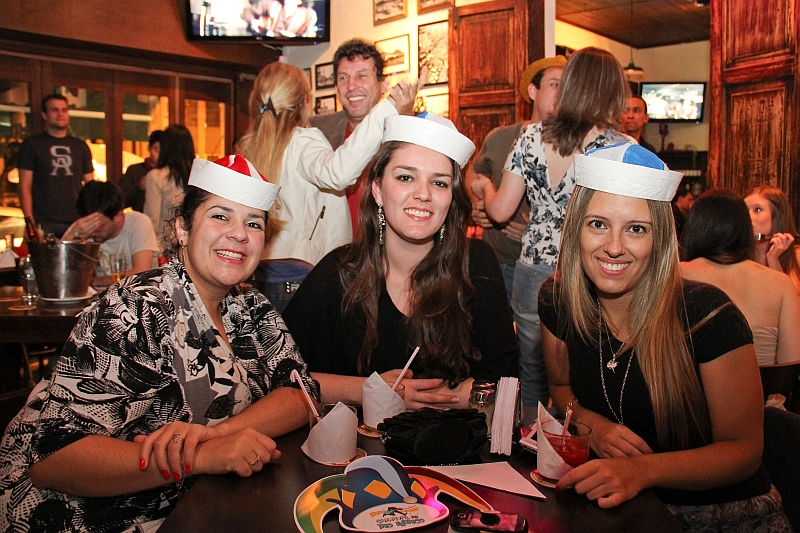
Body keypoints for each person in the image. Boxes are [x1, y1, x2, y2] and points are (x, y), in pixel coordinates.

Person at [0, 154, 318, 532]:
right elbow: (53, 460)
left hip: (201, 505)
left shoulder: (251, 306)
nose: (239, 233)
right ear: (182, 228)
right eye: (220, 215)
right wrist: (198, 457)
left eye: (254, 222)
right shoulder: (135, 309)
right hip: (85, 514)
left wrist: (216, 435)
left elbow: (301, 392)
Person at [540, 143, 790, 531]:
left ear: (661, 240)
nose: (614, 246)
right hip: (622, 511)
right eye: (598, 224)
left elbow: (744, 451)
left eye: (636, 229)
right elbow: (560, 386)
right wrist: (594, 424)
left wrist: (641, 471)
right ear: (575, 229)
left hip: (725, 514)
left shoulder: (707, 316)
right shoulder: (558, 302)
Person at [282, 113, 519, 409]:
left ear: (451, 198)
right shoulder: (339, 272)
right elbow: (281, 375)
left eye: (439, 183)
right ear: (378, 190)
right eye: (406, 177)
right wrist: (369, 390)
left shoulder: (477, 264)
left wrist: (436, 398)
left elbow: (507, 383)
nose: (423, 194)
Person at [470, 47, 632, 408]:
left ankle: (531, 441)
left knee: (532, 366)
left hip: (533, 269)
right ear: (613, 91)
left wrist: (486, 187)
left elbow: (499, 211)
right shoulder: (620, 148)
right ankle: (579, 437)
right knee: (588, 365)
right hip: (588, 268)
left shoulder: (530, 137)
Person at [238, 61, 422, 313]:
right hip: (300, 281)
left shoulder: (248, 148)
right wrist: (389, 106)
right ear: (304, 101)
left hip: (257, 279)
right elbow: (338, 173)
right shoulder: (302, 141)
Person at [466, 56, 567, 302]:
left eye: (567, 86)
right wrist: (477, 206)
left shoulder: (573, 146)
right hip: (496, 264)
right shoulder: (500, 137)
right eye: (555, 84)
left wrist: (538, 231)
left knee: (536, 340)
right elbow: (472, 173)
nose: (562, 93)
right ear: (533, 90)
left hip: (547, 270)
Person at [680, 189, 800, 366]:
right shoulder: (781, 283)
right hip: (765, 392)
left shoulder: (674, 276)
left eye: (758, 209)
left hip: (690, 392)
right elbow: (790, 365)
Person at [309, 38, 388, 236]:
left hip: (385, 254)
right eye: (343, 78)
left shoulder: (404, 132)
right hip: (331, 254)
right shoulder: (317, 130)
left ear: (382, 83)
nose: (351, 86)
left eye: (362, 76)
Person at [17, 93, 95, 238]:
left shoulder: (80, 146)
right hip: (44, 221)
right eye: (54, 110)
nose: (60, 114)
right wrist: (30, 223)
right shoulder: (32, 145)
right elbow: (24, 186)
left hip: (77, 221)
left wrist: (92, 219)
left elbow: (90, 186)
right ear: (44, 115)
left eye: (64, 110)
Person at [61, 180, 159, 288]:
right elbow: (62, 277)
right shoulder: (85, 232)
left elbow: (142, 272)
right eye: (88, 226)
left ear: (119, 216)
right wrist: (71, 234)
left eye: (99, 228)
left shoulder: (138, 222)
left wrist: (93, 281)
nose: (91, 232)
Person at [144, 124, 195, 251]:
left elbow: (152, 221)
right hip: (192, 246)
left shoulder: (156, 177)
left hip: (166, 248)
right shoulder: (198, 177)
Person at [744, 185, 800, 297]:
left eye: (757, 209)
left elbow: (791, 305)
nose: (748, 216)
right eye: (745, 210)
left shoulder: (796, 256)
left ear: (776, 217)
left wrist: (773, 260)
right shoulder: (739, 256)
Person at [119, 130, 162, 212]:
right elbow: (121, 201)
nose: (159, 155)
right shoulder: (134, 171)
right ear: (149, 148)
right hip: (141, 219)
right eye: (156, 150)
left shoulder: (170, 172)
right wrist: (139, 187)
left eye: (163, 151)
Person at [242, 0, 318, 37]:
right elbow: (246, 12)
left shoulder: (308, 15)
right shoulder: (271, 4)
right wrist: (252, 20)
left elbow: (308, 36)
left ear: (299, 1)